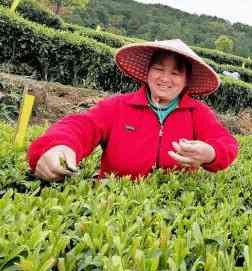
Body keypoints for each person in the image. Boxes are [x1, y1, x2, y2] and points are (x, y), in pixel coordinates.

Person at [27, 39, 239, 181]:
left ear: (186, 81)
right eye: (158, 69)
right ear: (147, 72)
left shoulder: (197, 113)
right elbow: (80, 126)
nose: (165, 79)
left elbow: (225, 142)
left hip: (173, 206)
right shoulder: (118, 106)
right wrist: (58, 147)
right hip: (112, 203)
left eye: (175, 73)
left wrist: (210, 153)